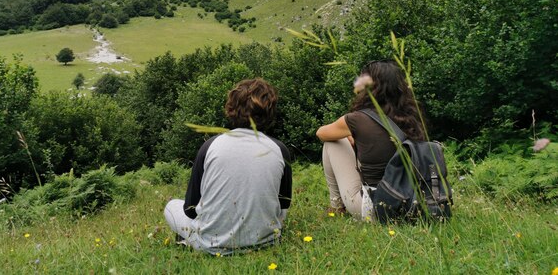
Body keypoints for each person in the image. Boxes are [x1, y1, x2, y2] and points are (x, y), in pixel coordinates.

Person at [164, 78, 292, 255]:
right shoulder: (280, 149)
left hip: (211, 245)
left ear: (231, 109)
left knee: (171, 206)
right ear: (270, 113)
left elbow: (190, 210)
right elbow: (283, 205)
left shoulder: (210, 146)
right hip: (266, 242)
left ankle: (188, 240)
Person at [316, 60, 426, 218]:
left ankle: (337, 206)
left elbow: (321, 133)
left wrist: (348, 134)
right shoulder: (413, 116)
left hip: (377, 206)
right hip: (413, 200)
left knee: (332, 143)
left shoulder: (358, 119)